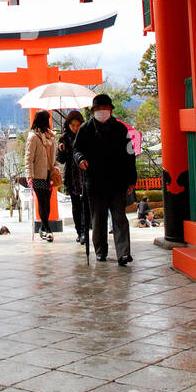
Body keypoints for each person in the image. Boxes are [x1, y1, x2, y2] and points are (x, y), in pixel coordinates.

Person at [73, 93, 137, 265]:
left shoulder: (121, 129)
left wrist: (131, 180)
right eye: (98, 109)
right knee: (98, 219)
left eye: (105, 108)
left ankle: (123, 253)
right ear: (93, 111)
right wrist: (80, 159)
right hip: (95, 181)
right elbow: (76, 149)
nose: (102, 111)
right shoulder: (85, 129)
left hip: (117, 181)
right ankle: (101, 250)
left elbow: (130, 155)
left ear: (110, 110)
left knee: (119, 218)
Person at [55, 111, 89, 247]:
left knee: (85, 204)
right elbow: (61, 160)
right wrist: (61, 150)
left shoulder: (85, 136)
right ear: (68, 125)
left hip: (85, 173)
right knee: (76, 205)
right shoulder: (63, 138)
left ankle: (85, 231)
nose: (75, 128)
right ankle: (80, 232)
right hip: (72, 175)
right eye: (73, 125)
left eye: (78, 125)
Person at [25, 110, 58, 243]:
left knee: (47, 201)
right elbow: (28, 157)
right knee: (42, 200)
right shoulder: (33, 137)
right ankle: (47, 228)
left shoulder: (51, 137)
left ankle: (44, 228)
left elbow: (54, 156)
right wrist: (29, 175)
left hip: (50, 173)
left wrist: (56, 168)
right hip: (38, 174)